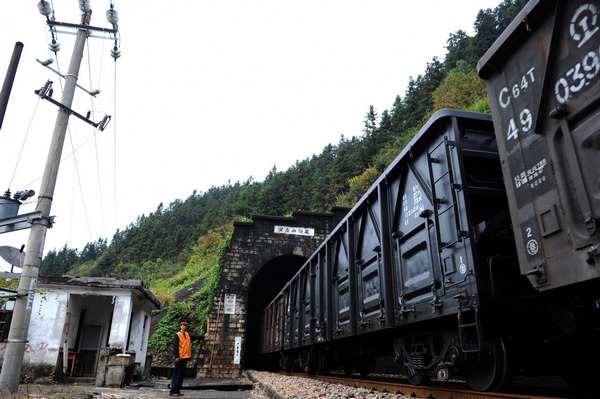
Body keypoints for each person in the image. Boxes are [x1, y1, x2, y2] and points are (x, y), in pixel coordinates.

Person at [169, 320, 208, 397]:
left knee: (181, 374)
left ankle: (178, 390)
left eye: (186, 325)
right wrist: (176, 356)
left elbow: (194, 337)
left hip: (185, 357)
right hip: (179, 357)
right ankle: (172, 391)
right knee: (177, 374)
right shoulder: (177, 335)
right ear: (180, 326)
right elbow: (175, 346)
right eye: (183, 325)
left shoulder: (187, 334)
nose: (185, 326)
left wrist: (203, 336)